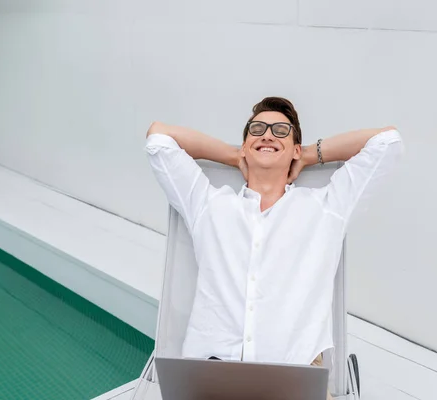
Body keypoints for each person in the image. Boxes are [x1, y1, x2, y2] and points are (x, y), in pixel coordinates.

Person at [145, 97, 403, 399]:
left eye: (281, 130)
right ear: (245, 146)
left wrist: (307, 155)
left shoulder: (326, 209)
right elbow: (158, 138)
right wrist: (233, 154)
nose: (267, 135)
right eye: (257, 129)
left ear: (294, 149)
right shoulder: (208, 205)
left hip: (293, 383)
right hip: (211, 379)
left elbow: (388, 141)